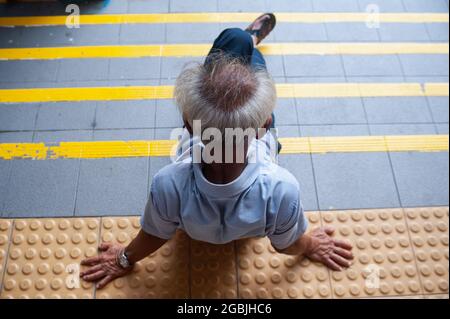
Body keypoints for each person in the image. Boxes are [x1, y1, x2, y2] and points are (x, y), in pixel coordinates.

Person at [80, 13, 354, 290]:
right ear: (264, 126)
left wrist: (124, 259)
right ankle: (249, 43)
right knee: (254, 64)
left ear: (187, 123)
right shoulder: (282, 188)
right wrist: (309, 245)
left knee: (232, 42)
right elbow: (289, 245)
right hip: (253, 151)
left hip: (197, 197)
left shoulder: (167, 184)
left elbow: (155, 233)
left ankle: (245, 39)